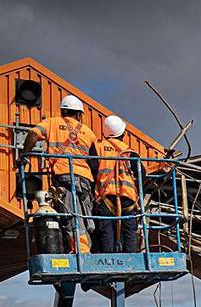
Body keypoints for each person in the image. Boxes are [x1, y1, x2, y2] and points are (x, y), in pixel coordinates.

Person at [19, 95, 99, 249]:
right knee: (85, 217)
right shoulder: (88, 132)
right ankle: (83, 249)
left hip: (64, 176)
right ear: (78, 114)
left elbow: (33, 134)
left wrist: (24, 154)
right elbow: (94, 160)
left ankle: (81, 252)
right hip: (85, 179)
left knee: (71, 216)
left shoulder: (52, 122)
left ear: (63, 111)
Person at [90, 115, 141, 253]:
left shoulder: (97, 146)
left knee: (106, 230)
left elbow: (92, 170)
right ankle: (131, 259)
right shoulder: (130, 152)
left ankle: (109, 259)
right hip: (127, 197)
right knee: (129, 230)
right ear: (123, 133)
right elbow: (141, 175)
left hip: (106, 196)